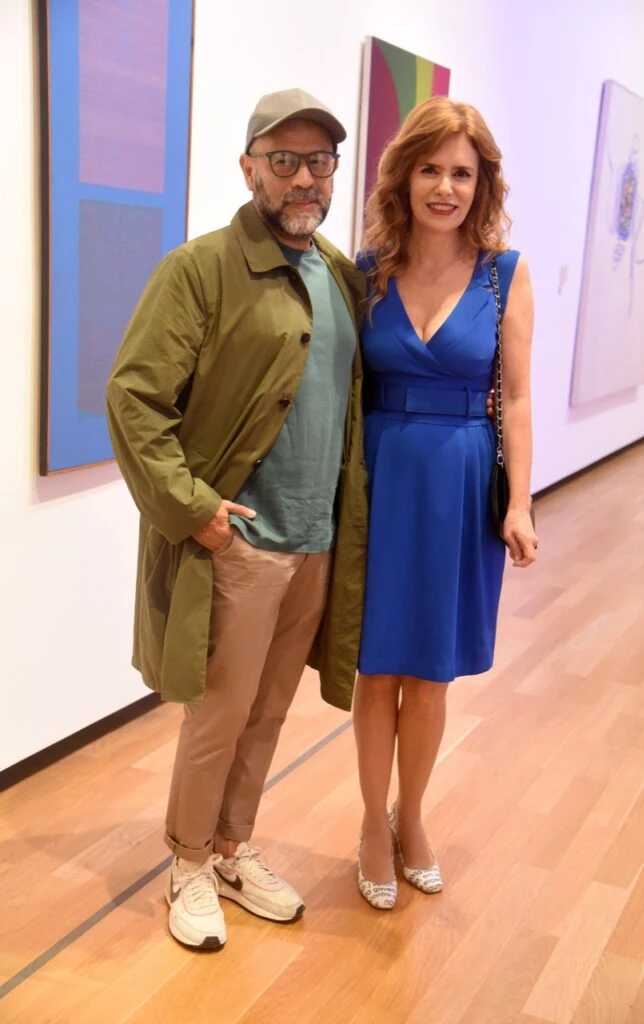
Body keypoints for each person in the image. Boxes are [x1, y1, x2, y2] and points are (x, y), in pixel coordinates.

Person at [106, 89, 368, 950]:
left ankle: (231, 848)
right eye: (284, 160)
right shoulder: (199, 270)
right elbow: (134, 398)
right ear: (249, 168)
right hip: (242, 543)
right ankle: (186, 862)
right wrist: (195, 512)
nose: (303, 178)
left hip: (315, 541)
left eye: (319, 161)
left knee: (268, 713)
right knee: (218, 717)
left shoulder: (338, 274)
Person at [353, 97, 538, 910]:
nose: (445, 188)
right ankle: (371, 823)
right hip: (380, 478)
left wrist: (519, 503)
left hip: (460, 481)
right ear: (404, 176)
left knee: (429, 672)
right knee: (375, 668)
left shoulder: (504, 273)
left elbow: (518, 398)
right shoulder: (369, 271)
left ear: (482, 183)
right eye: (430, 169)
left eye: (462, 173)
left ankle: (413, 815)